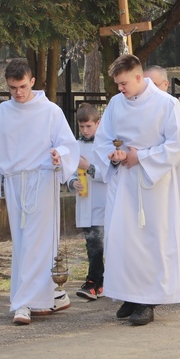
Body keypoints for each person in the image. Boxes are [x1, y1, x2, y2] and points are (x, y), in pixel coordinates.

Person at [0, 58, 80, 325]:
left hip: (42, 181)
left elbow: (69, 144)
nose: (18, 93)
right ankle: (49, 297)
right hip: (14, 184)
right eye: (12, 88)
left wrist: (60, 155)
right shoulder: (1, 112)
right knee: (23, 243)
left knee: (40, 242)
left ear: (32, 81)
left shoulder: (51, 111)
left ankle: (24, 303)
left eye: (22, 86)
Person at [92, 54, 180, 326]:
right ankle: (129, 295)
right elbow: (101, 139)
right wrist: (113, 156)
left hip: (153, 185)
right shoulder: (115, 103)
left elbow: (178, 145)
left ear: (139, 77)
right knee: (122, 238)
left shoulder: (166, 104)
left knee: (150, 239)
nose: (120, 89)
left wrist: (142, 157)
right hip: (123, 181)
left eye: (123, 83)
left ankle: (147, 300)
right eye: (117, 84)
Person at [68, 103, 107, 300]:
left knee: (101, 243)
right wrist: (72, 182)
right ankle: (96, 282)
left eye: (89, 126)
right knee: (92, 243)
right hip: (84, 203)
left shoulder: (105, 145)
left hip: (102, 202)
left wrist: (88, 167)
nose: (85, 130)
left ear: (98, 123)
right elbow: (68, 172)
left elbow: (109, 174)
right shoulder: (75, 145)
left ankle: (97, 281)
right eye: (81, 127)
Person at [145, 65, 180, 218]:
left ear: (165, 85)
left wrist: (152, 158)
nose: (149, 89)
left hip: (167, 170)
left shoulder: (177, 109)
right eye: (146, 84)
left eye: (154, 84)